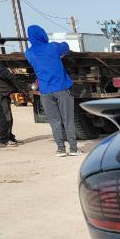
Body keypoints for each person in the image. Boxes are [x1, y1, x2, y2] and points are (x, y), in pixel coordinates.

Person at [24, 25, 78, 157]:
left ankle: (60, 149)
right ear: (42, 34)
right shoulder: (52, 47)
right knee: (68, 119)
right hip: (61, 88)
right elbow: (65, 46)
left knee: (54, 121)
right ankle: (73, 149)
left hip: (45, 91)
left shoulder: (29, 53)